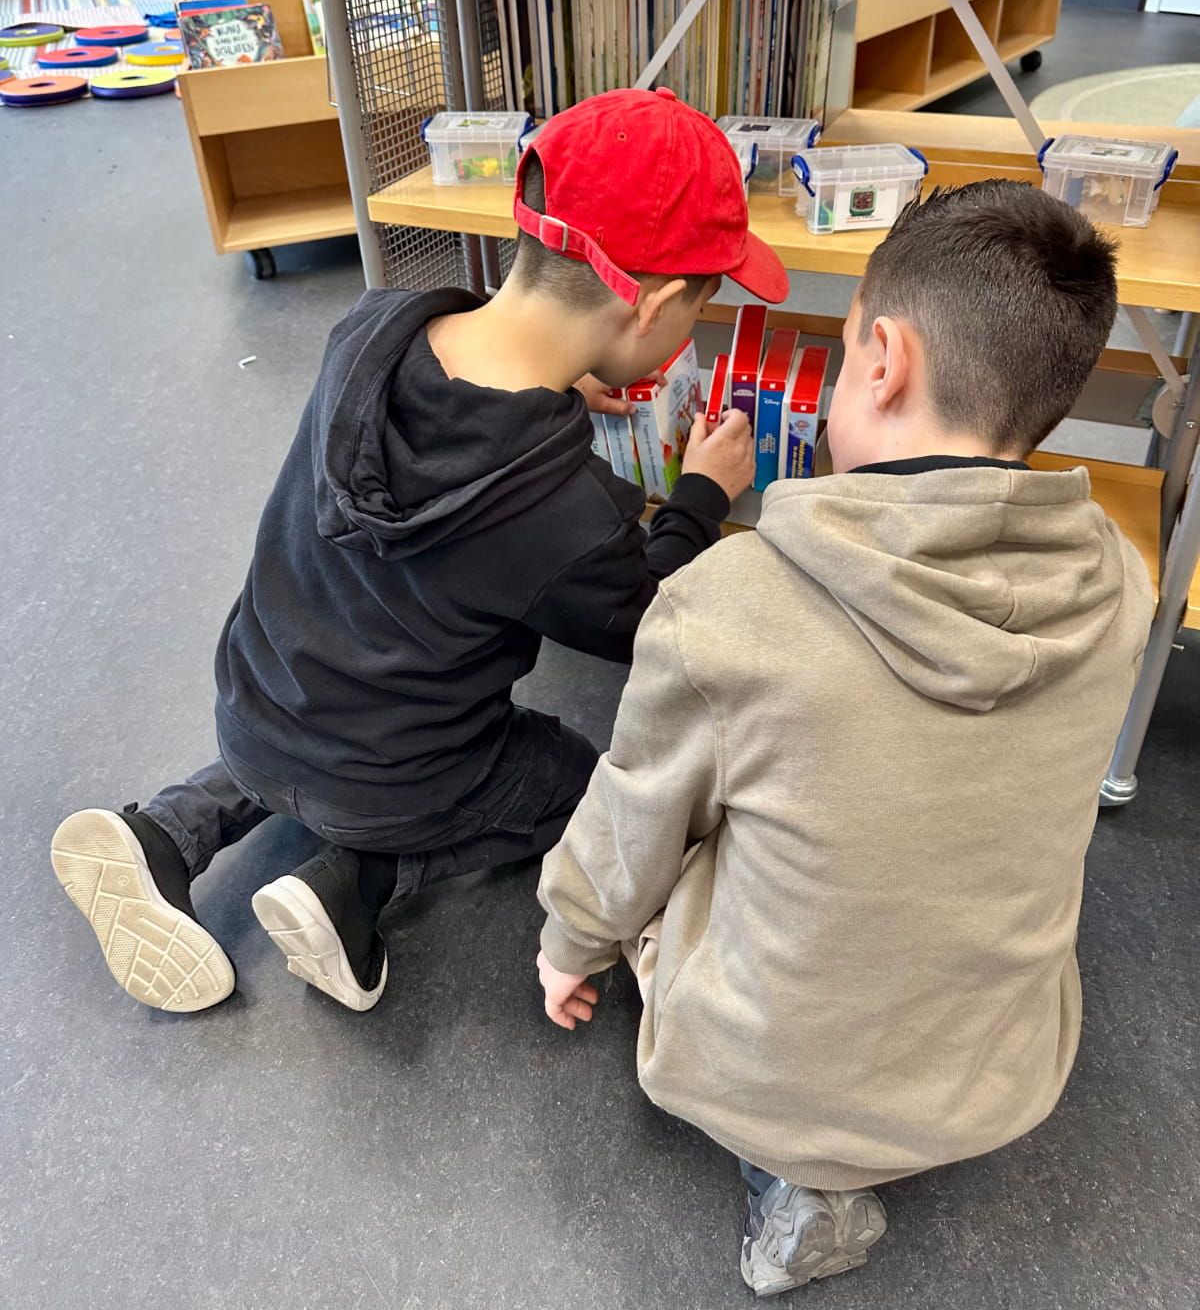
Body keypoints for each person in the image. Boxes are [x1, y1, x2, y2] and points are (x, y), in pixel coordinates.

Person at [535, 181, 1154, 1298]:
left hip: (767, 1075)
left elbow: (629, 824)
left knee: (678, 836)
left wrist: (567, 943)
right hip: (1002, 1075)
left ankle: (797, 1176)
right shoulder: (1122, 580)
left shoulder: (729, 604)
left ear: (883, 360)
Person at [50, 87, 786, 1015]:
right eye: (702, 307)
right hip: (396, 778)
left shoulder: (372, 330)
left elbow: (484, 366)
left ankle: (166, 830)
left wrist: (558, 387)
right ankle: (357, 884)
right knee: (563, 777)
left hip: (255, 697)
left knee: (321, 716)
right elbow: (656, 617)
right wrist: (700, 495)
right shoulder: (563, 512)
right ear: (660, 307)